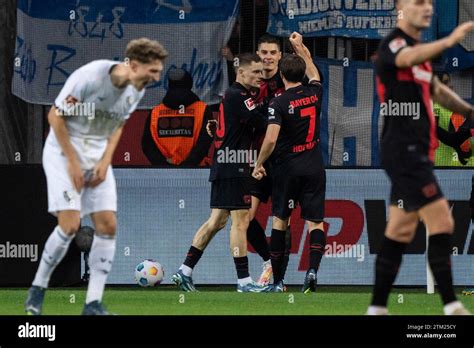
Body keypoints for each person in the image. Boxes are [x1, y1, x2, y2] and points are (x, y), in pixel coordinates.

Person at [25, 38, 168, 315]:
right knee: (69, 225)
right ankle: (37, 290)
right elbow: (55, 117)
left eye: (159, 72)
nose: (156, 77)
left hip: (95, 153)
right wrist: (73, 164)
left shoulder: (135, 89)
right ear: (134, 64)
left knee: (108, 225)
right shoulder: (90, 76)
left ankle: (92, 304)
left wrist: (104, 161)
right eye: (153, 71)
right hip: (62, 152)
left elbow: (117, 127)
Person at [368, 0, 474, 315]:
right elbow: (408, 57)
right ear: (401, 7)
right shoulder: (395, 44)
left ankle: (376, 309)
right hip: (403, 151)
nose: (427, 7)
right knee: (442, 219)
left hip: (415, 153)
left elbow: (438, 93)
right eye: (419, 2)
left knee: (399, 229)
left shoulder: (420, 55)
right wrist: (451, 40)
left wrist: (470, 112)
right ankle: (452, 305)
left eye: (429, 2)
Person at [171, 53, 270, 292]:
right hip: (234, 167)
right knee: (240, 222)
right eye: (256, 72)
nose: (261, 76)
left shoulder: (235, 96)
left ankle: (184, 271)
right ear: (241, 72)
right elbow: (261, 122)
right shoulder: (239, 95)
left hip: (225, 164)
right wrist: (277, 109)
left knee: (216, 221)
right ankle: (244, 282)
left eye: (262, 72)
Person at [253, 32, 326, 293]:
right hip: (315, 166)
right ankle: (313, 271)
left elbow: (271, 140)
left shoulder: (278, 102)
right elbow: (314, 72)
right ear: (302, 74)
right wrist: (300, 46)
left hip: (287, 169)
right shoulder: (315, 92)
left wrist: (259, 163)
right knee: (315, 222)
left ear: (282, 76)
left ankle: (278, 282)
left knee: (280, 222)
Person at [142, 68, 212, 167]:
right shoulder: (203, 109)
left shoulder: (155, 112)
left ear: (169, 85)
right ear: (189, 84)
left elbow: (147, 145)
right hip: (196, 172)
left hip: (164, 175)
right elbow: (205, 142)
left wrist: (163, 166)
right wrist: (187, 166)